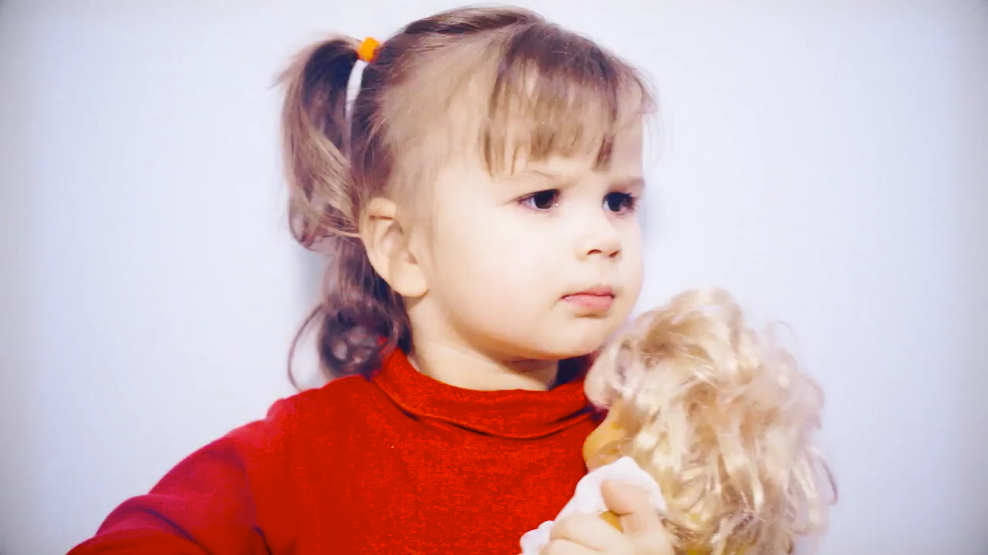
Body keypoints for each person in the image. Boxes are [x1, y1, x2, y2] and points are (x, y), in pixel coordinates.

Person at [69, 5, 669, 554]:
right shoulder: (300, 458)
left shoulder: (661, 434)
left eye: (618, 200)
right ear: (402, 248)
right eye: (542, 198)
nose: (606, 237)